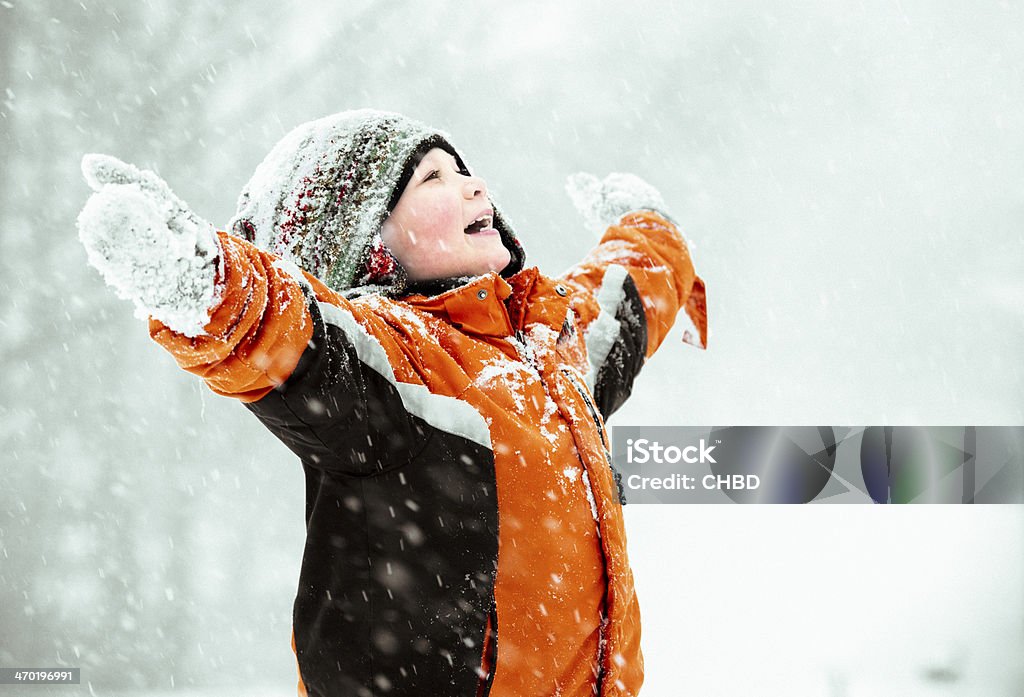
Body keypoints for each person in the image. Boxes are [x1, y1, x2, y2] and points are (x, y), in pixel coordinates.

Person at [76, 109, 708, 697]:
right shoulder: (388, 368)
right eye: (433, 178)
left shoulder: (547, 345)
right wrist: (201, 279)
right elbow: (284, 329)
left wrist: (649, 228)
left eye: (462, 169)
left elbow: (623, 301)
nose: (474, 186)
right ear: (368, 242)